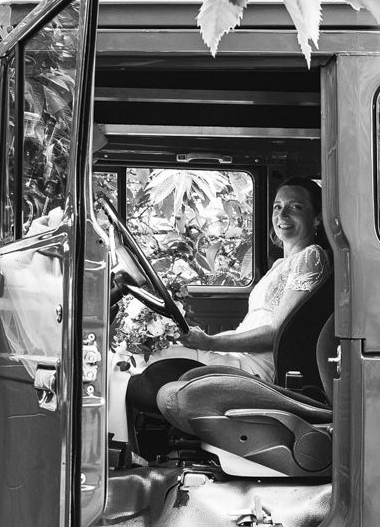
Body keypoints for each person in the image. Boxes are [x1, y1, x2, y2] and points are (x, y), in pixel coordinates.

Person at [123, 177, 331, 459]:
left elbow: (276, 333)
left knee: (142, 373)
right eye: (277, 206)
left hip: (257, 368)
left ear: (317, 218)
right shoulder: (281, 264)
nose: (282, 215)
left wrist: (209, 342)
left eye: (295, 207)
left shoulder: (310, 257)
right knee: (139, 358)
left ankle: (124, 454)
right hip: (241, 355)